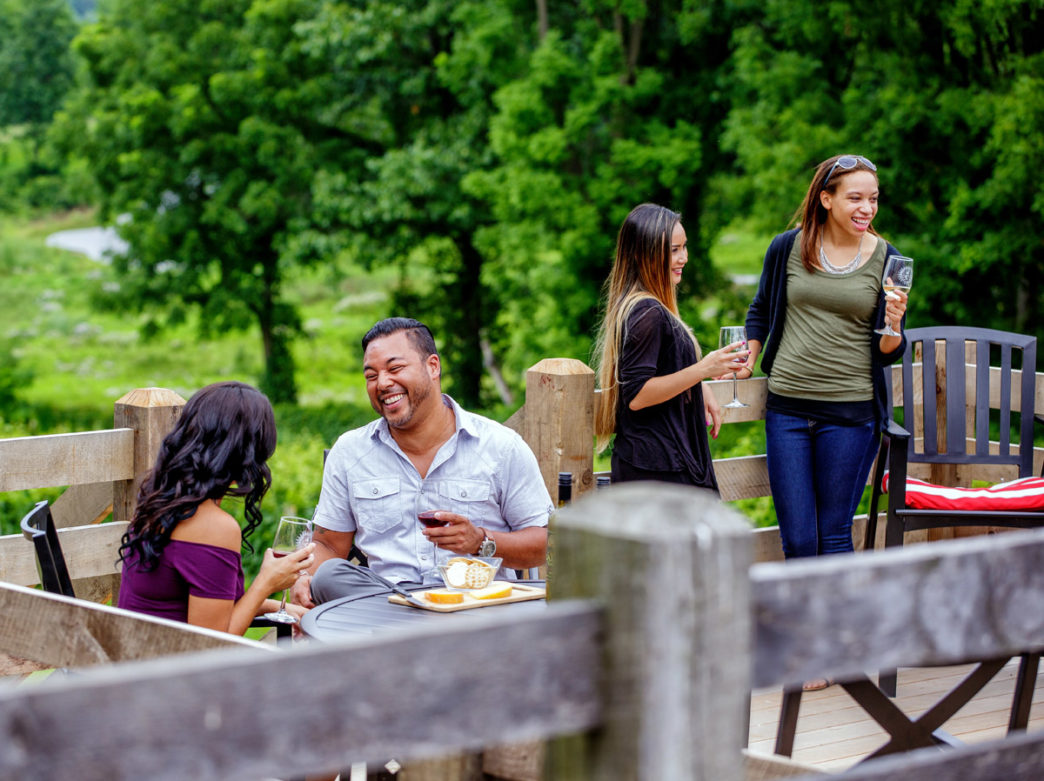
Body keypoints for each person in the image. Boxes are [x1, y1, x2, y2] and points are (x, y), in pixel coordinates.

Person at [292, 317, 552, 608]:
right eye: (371, 375)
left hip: (478, 608)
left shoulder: (501, 447)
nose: (383, 383)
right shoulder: (351, 452)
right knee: (329, 576)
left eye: (395, 368)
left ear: (433, 366)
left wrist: (480, 541)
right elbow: (329, 545)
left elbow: (547, 542)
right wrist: (305, 576)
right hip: (388, 606)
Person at [742, 154, 908, 564]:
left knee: (833, 538)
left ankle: (834, 628)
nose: (867, 209)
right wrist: (748, 362)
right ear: (826, 199)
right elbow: (760, 310)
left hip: (851, 415)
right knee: (798, 541)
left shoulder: (892, 260)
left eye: (873, 198)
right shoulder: (787, 248)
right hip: (787, 411)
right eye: (855, 198)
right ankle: (803, 627)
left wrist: (894, 325)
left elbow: (890, 349)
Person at [117, 381, 315, 634]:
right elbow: (211, 649)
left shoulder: (159, 500)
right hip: (166, 670)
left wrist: (277, 606)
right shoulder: (215, 527)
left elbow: (197, 606)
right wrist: (266, 582)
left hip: (131, 659)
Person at [593, 202, 747, 490]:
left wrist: (697, 385)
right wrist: (703, 370)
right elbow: (637, 394)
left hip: (662, 463)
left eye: (684, 247)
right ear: (646, 255)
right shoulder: (647, 312)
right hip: (657, 468)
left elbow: (660, 369)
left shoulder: (647, 307)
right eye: (673, 250)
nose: (684, 257)